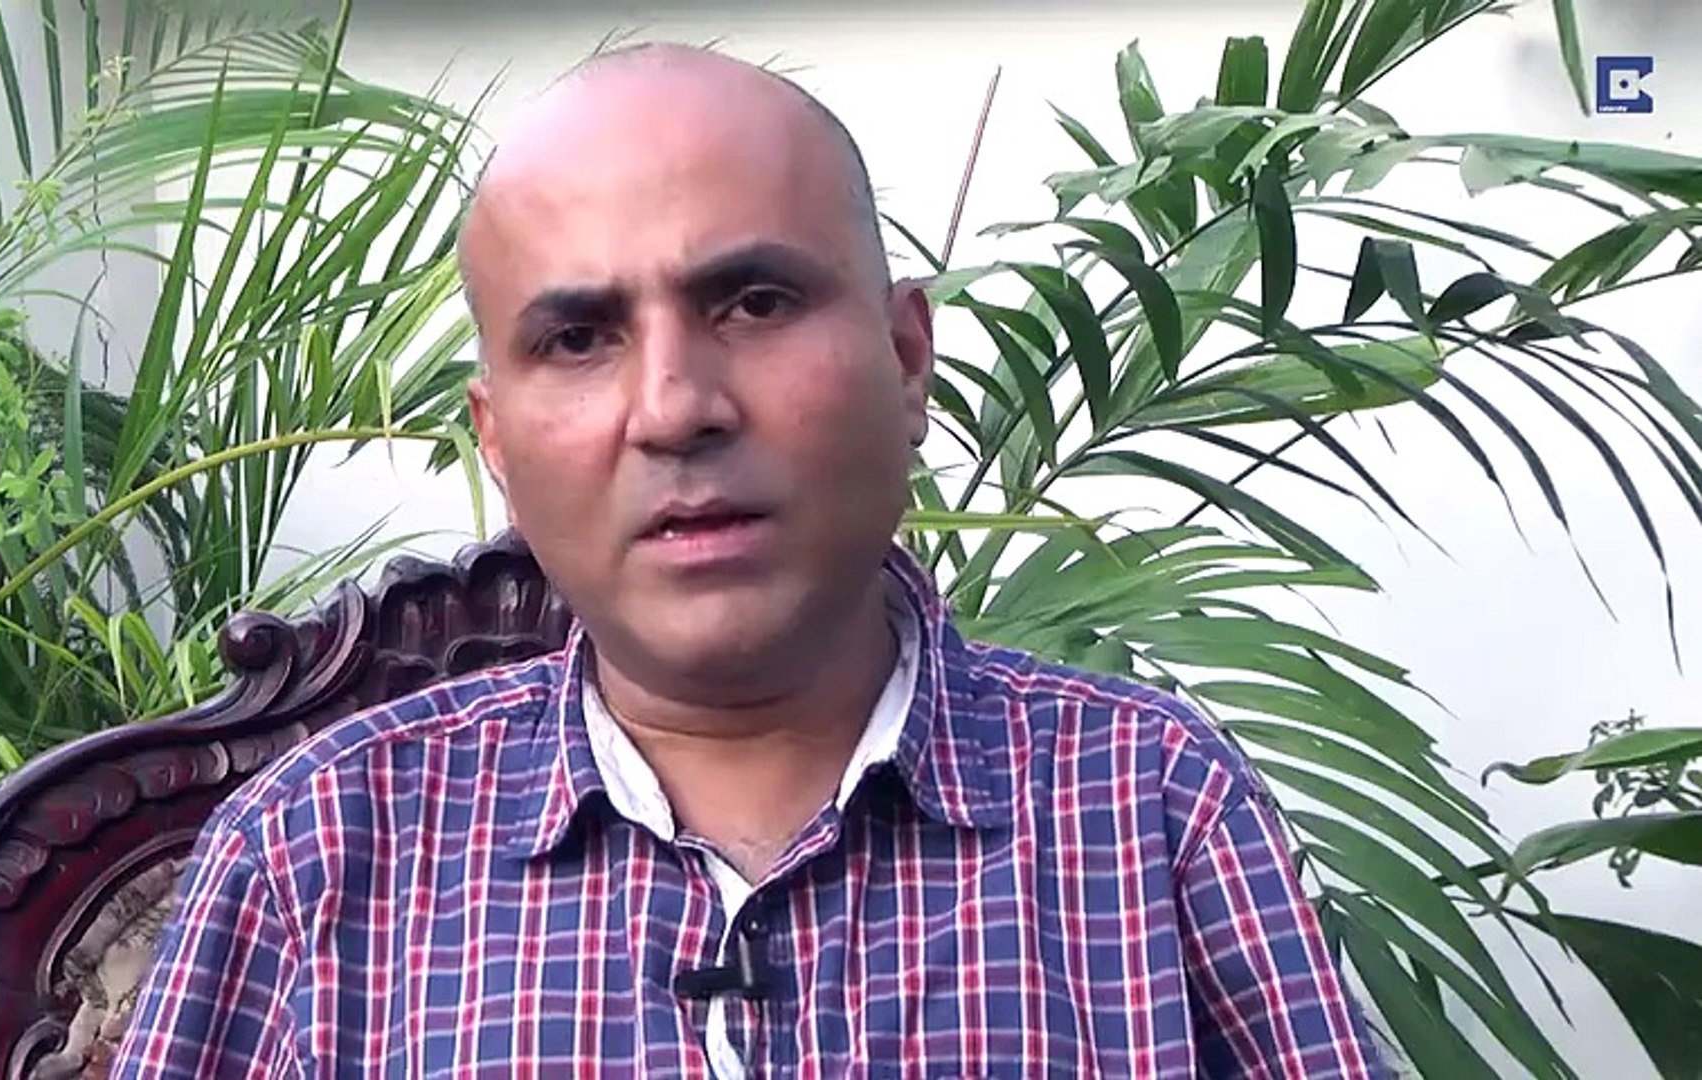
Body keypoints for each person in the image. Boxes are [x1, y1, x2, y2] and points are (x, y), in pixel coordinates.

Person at [110, 41, 1386, 1078]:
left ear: (905, 359)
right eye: (578, 340)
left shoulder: (1150, 808)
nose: (675, 408)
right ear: (495, 441)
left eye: (755, 303)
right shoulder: (317, 853)